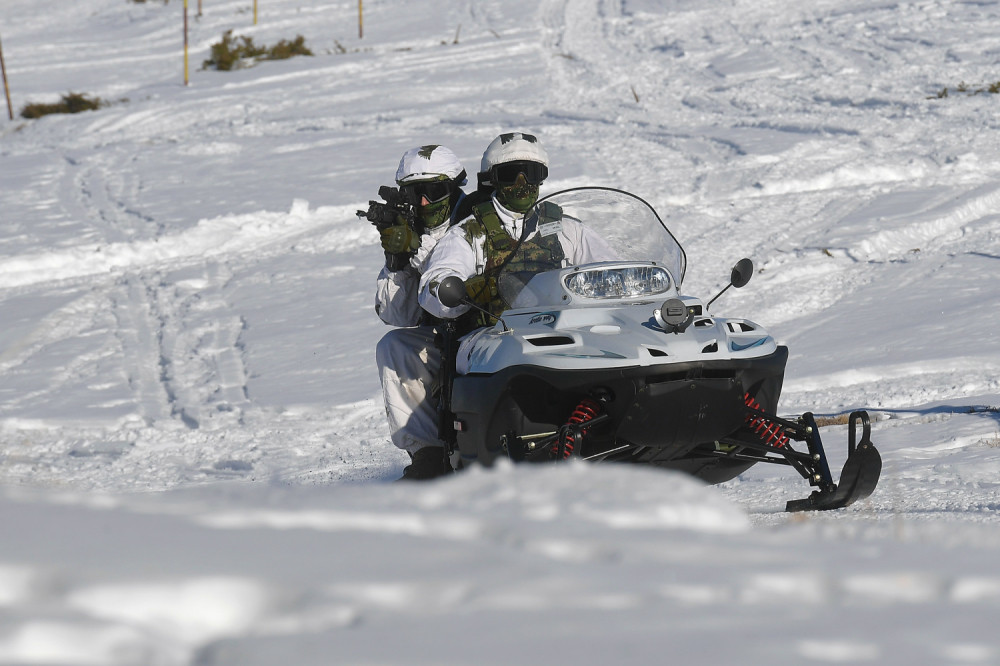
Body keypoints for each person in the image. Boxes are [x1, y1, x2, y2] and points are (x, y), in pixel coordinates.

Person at [418, 132, 617, 355]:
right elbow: (432, 287)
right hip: (491, 338)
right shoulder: (468, 233)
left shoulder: (568, 229)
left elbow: (611, 269)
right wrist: (469, 290)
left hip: (564, 333)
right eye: (510, 174)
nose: (522, 183)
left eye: (531, 173)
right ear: (492, 180)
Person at [374, 144, 468, 480]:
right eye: (415, 193)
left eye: (434, 190)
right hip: (447, 341)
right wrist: (397, 261)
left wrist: (417, 250)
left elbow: (457, 289)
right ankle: (429, 455)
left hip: (488, 331)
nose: (425, 202)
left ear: (455, 188)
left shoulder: (477, 222)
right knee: (395, 346)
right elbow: (396, 315)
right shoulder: (415, 231)